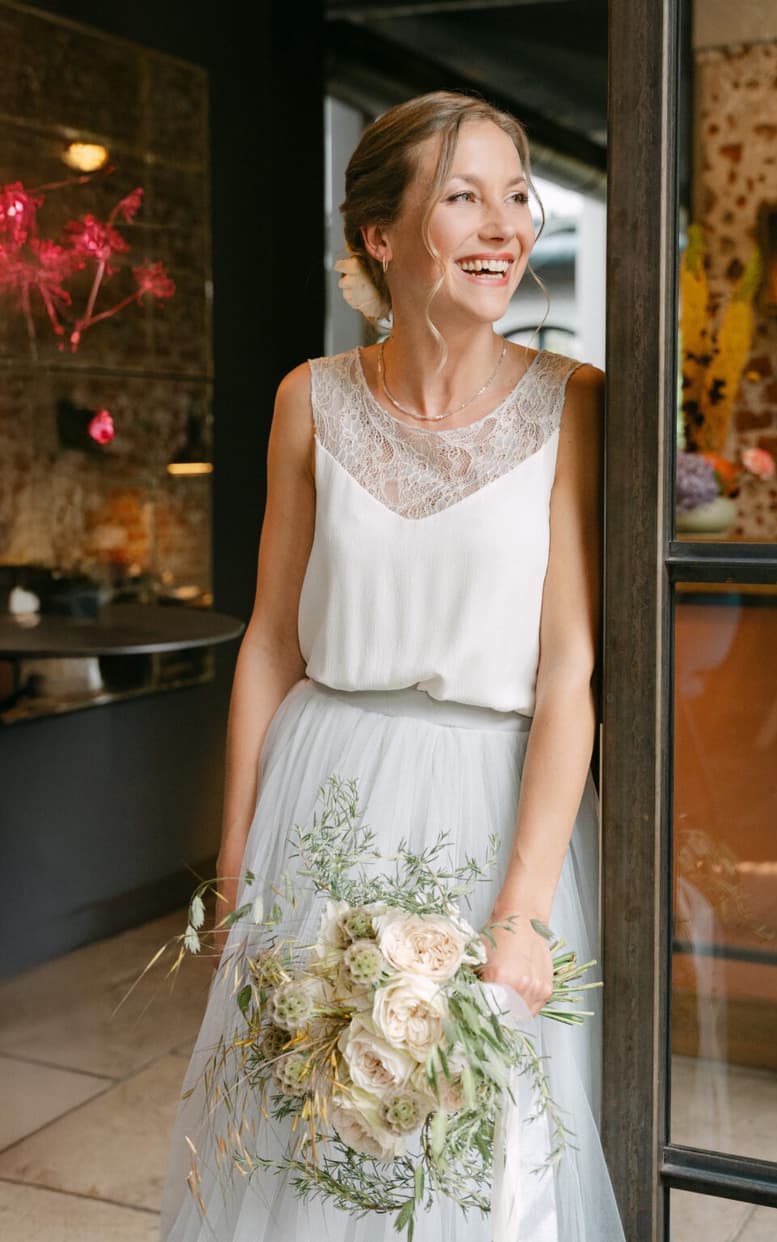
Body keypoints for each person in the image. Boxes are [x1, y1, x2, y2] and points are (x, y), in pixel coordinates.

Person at [160, 90, 626, 1242]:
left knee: (477, 1150)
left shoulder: (578, 407)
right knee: (307, 1116)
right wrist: (234, 857)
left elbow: (571, 673)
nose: (503, 226)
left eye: (517, 196)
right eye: (463, 195)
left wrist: (522, 912)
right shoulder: (306, 403)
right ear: (380, 233)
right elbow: (270, 640)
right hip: (322, 788)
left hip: (492, 805)